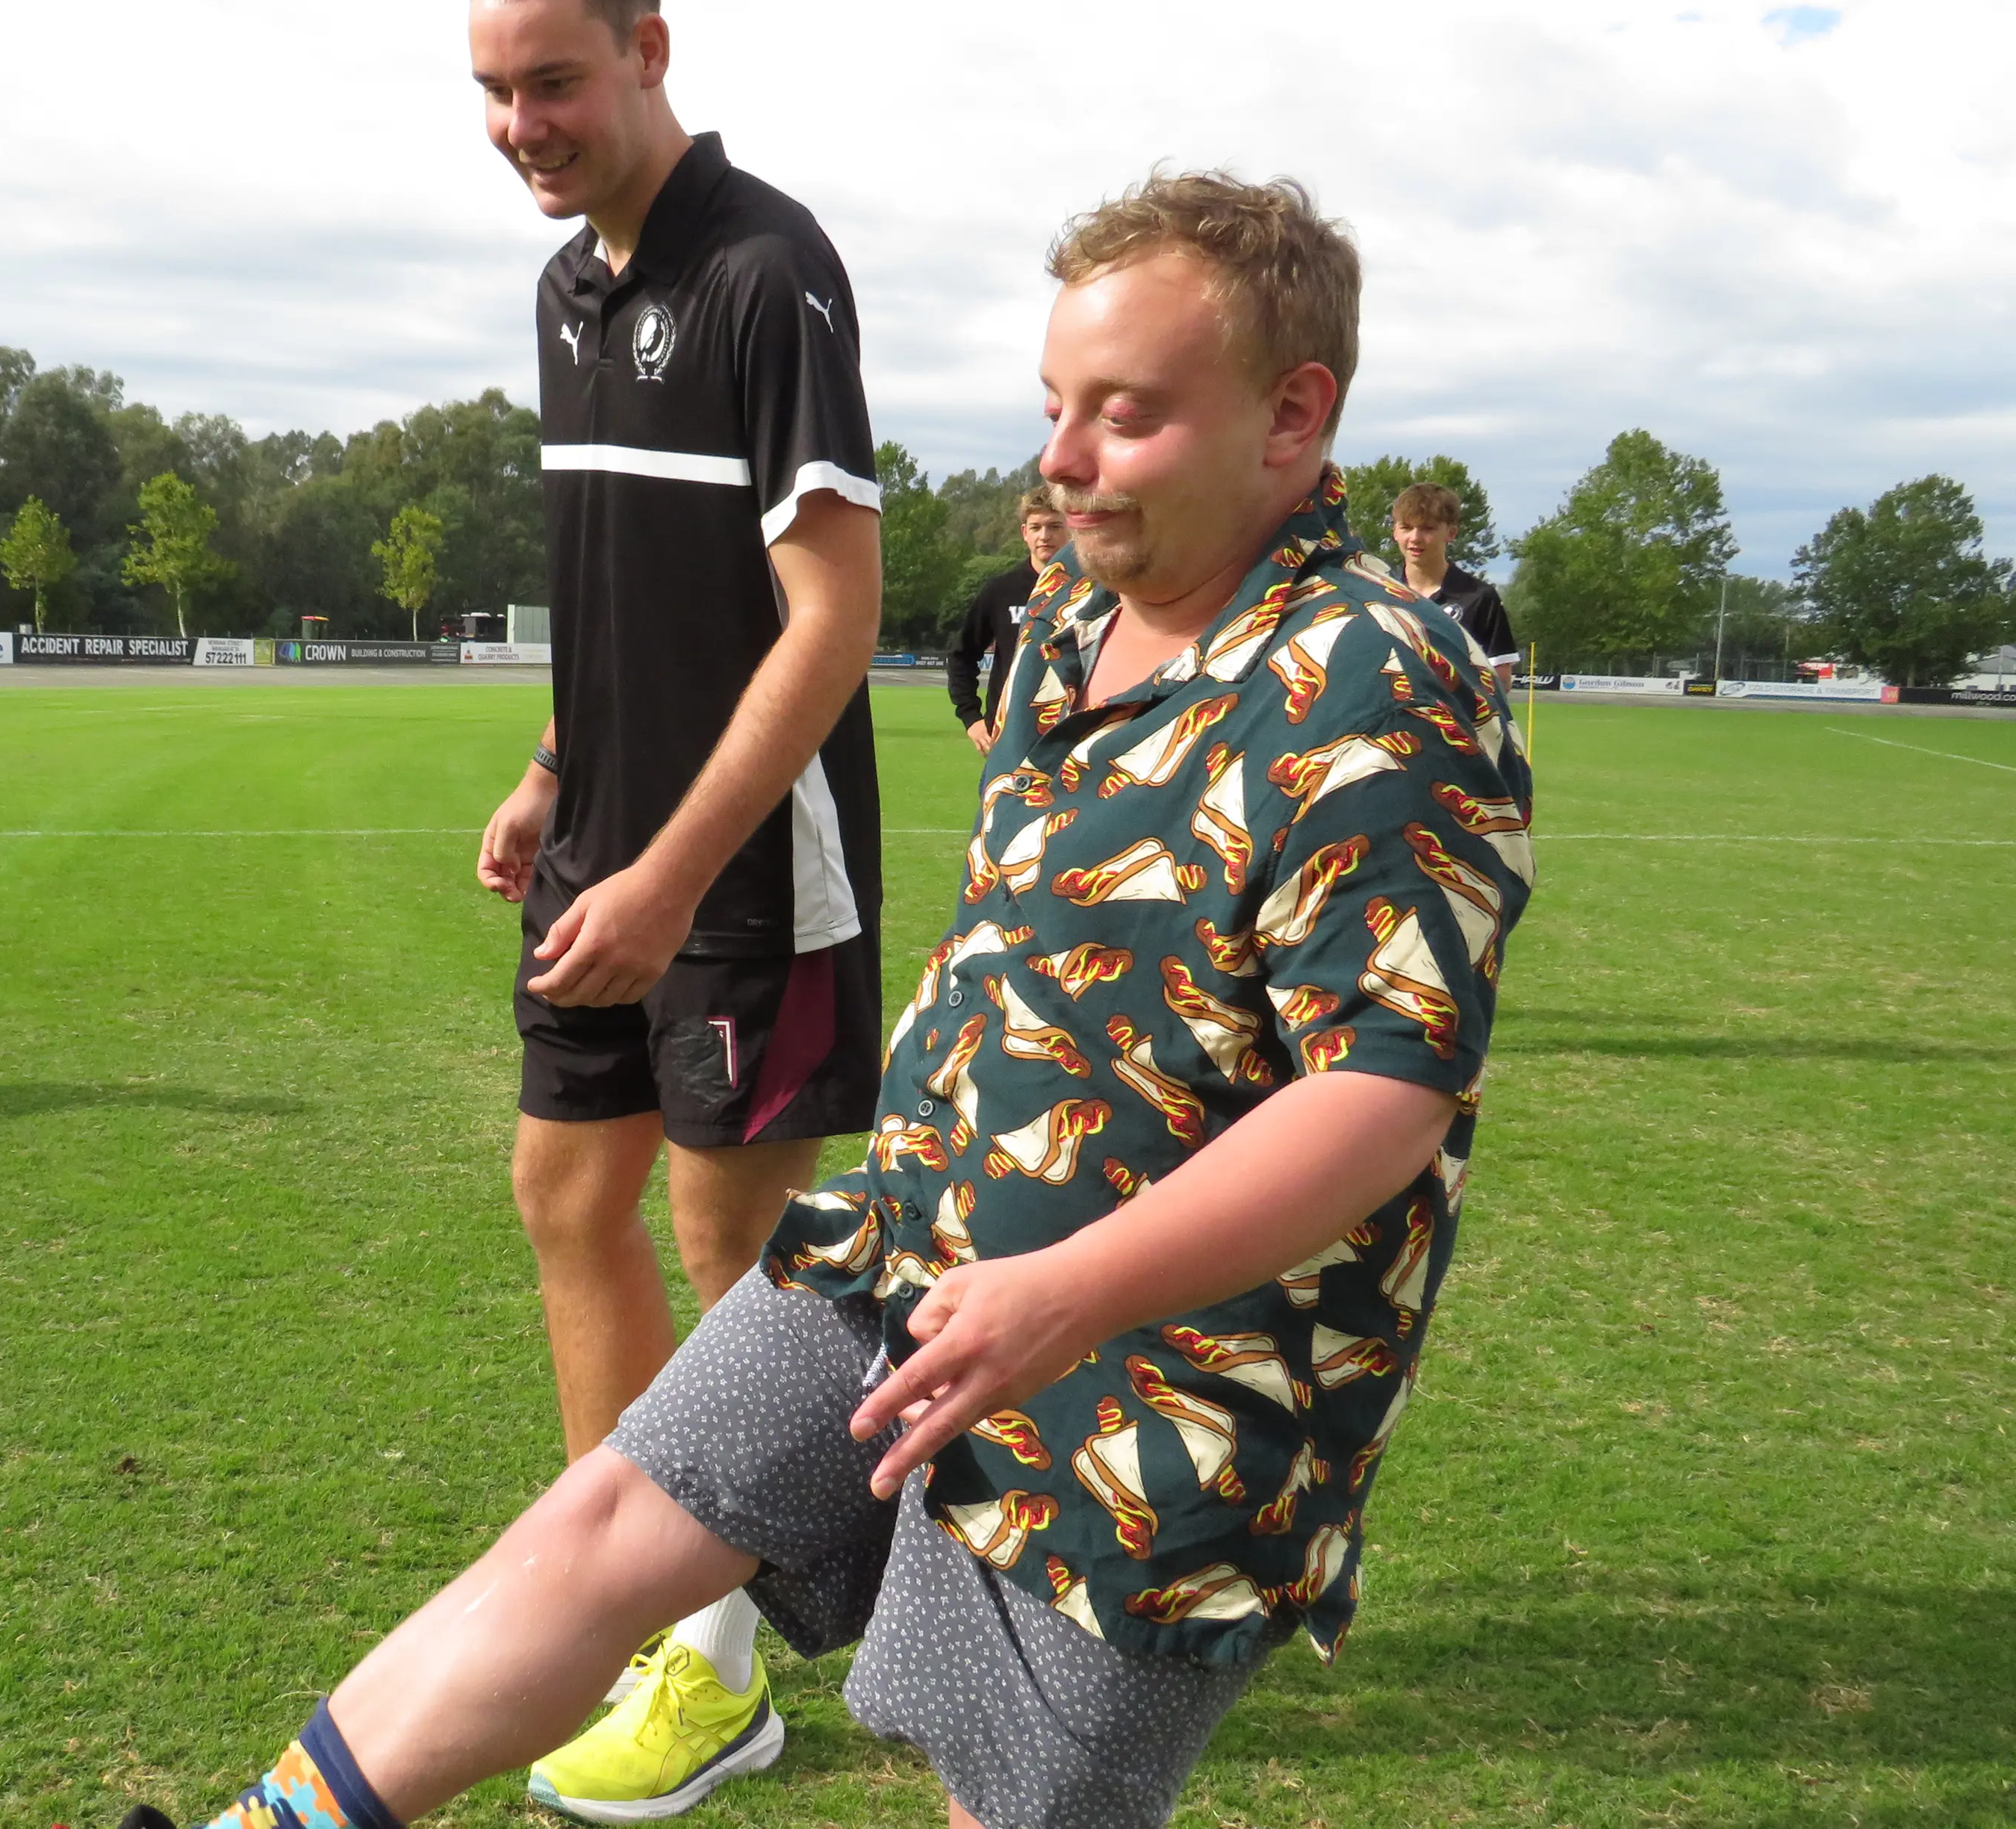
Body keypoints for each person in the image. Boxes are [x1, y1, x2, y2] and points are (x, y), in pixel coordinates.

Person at [120, 173, 1532, 1829]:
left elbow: (1383, 1096)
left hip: (1162, 1392)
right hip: (907, 1255)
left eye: (1126, 414)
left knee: (1004, 1796)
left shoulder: (1384, 679)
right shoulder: (1070, 623)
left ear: (1294, 415)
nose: (1062, 458)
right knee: (594, 1531)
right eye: (1055, 406)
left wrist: (1064, 1293)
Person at [461, 0, 886, 1814]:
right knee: (567, 1195)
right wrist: (557, 769)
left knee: (732, 1249)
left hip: (744, 870)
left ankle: (713, 1671)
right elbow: (616, 593)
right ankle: (629, 1606)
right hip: (601, 850)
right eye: (494, 91)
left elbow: (829, 619)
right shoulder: (564, 289)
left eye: (553, 80)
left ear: (647, 49)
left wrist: (667, 876)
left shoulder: (766, 271)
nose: (522, 124)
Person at [945, 484, 1071, 750]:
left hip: (1073, 735)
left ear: (1071, 528)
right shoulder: (1000, 591)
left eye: (1055, 526)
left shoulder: (1093, 589)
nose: (1044, 536)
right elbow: (961, 656)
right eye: (1036, 527)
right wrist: (971, 718)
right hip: (1009, 736)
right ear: (1025, 533)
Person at [1390, 482, 1518, 692]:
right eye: (1406, 528)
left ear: (1451, 533)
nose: (1415, 538)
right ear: (1395, 531)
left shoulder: (1479, 598)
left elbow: (1501, 680)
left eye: (1428, 529)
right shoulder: (1379, 592)